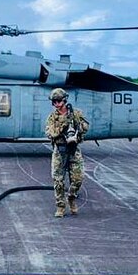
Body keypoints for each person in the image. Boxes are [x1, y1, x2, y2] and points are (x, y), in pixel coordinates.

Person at [44, 87, 89, 218]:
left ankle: (71, 197)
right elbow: (50, 132)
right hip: (59, 150)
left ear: (64, 100)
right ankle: (60, 206)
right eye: (54, 102)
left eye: (58, 101)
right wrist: (64, 128)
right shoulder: (52, 117)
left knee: (78, 179)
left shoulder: (76, 114)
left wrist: (78, 128)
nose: (56, 104)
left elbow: (86, 126)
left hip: (74, 150)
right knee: (58, 180)